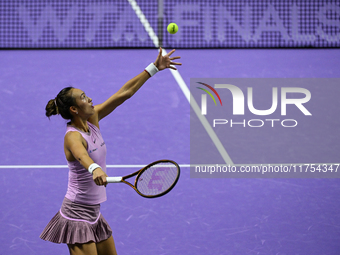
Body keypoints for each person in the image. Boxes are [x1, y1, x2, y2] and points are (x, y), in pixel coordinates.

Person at [40, 48, 181, 255]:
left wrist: (154, 68)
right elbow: (82, 155)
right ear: (73, 109)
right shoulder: (72, 136)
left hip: (94, 212)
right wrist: (95, 169)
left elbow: (124, 93)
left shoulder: (92, 119)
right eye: (83, 97)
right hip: (77, 214)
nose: (89, 99)